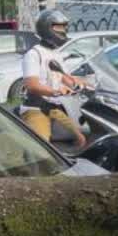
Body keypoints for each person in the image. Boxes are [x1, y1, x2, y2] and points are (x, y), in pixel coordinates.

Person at [18, 8, 86, 146]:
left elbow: (64, 77)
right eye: (58, 26)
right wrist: (56, 91)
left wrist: (82, 83)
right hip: (35, 108)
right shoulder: (34, 54)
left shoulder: (56, 53)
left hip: (53, 107)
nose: (62, 30)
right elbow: (32, 85)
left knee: (81, 138)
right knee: (43, 146)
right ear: (46, 28)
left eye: (64, 27)